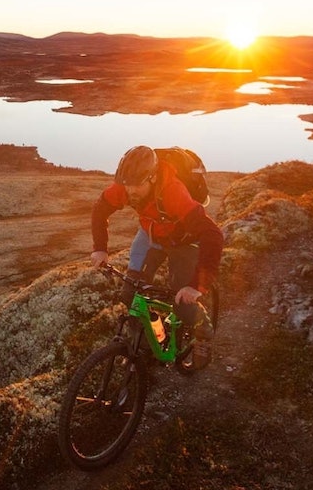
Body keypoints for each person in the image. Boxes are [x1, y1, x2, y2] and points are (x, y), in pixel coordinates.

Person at [89, 145, 225, 367]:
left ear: (152, 178)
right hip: (152, 235)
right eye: (127, 185)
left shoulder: (172, 192)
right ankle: (143, 345)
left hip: (183, 241)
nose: (130, 191)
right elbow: (100, 208)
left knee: (182, 301)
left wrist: (196, 286)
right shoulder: (125, 187)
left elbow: (213, 235)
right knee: (131, 293)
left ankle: (203, 330)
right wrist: (100, 248)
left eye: (137, 185)